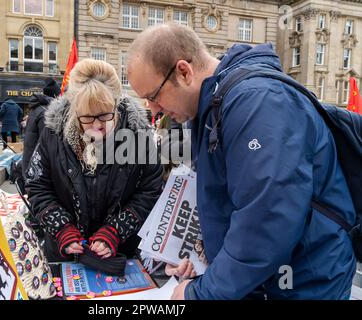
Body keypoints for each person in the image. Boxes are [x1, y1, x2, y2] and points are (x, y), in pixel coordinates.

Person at [127, 23, 357, 300]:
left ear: (184, 71)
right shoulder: (210, 107)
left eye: (153, 96)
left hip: (304, 283)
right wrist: (205, 260)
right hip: (273, 279)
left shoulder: (257, 101)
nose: (152, 109)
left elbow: (266, 217)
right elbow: (229, 203)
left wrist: (205, 293)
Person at [25, 59, 163, 262]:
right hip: (65, 254)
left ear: (116, 105)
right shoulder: (52, 133)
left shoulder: (137, 134)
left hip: (120, 254)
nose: (97, 125)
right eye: (88, 117)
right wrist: (62, 228)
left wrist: (116, 230)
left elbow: (150, 189)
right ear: (74, 109)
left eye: (105, 115)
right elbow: (37, 185)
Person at [21, 77, 61, 179]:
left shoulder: (37, 108)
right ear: (55, 95)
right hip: (36, 165)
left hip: (30, 160)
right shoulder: (46, 112)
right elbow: (45, 142)